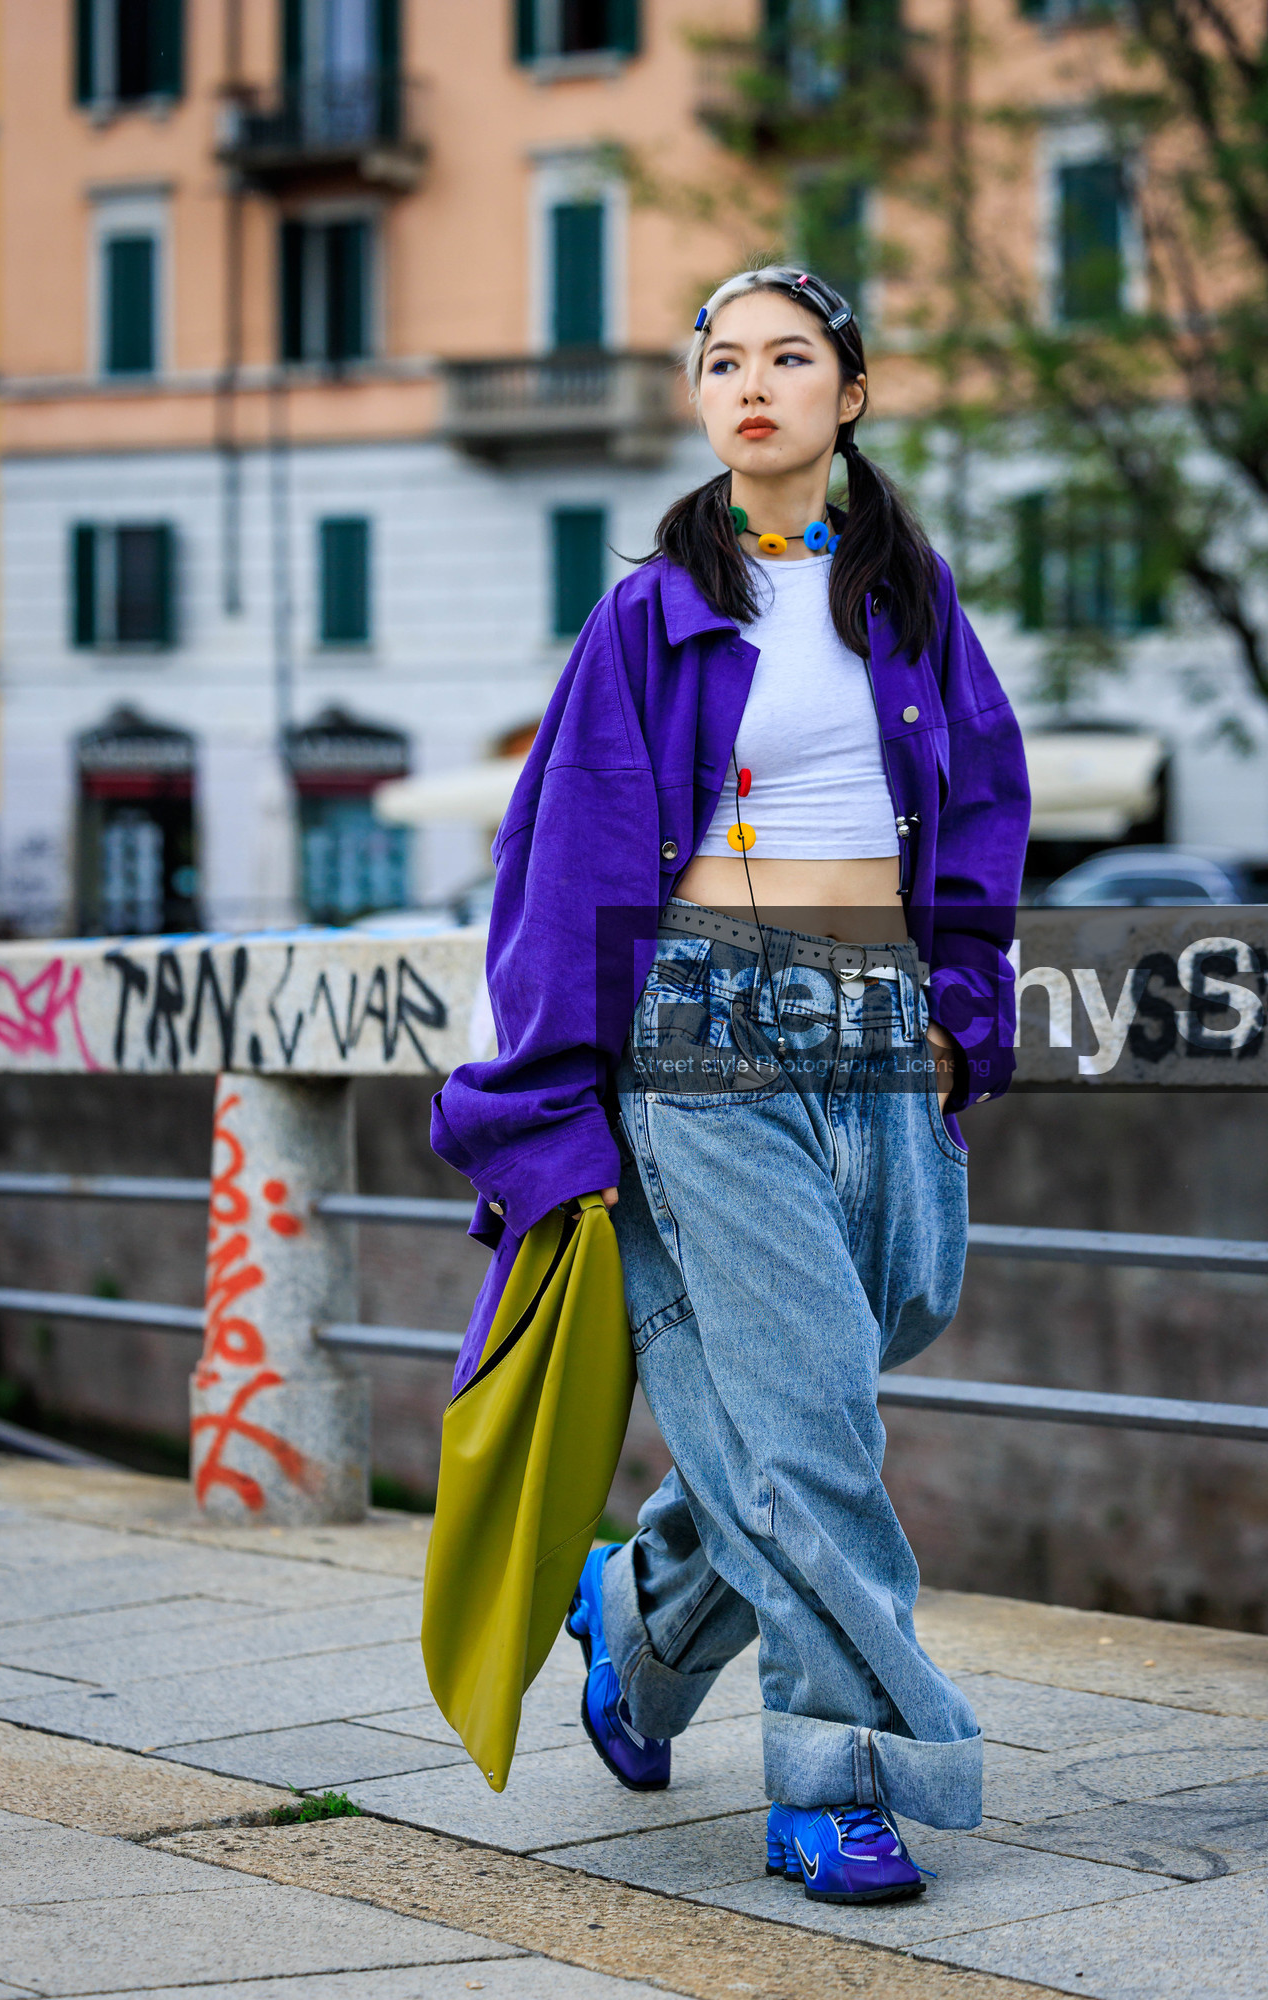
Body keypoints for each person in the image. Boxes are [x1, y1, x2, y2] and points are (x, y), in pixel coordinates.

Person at [431, 266, 1030, 1905]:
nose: (752, 384)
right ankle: (841, 1774)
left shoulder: (910, 598)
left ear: (852, 392)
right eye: (723, 362)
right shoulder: (650, 614)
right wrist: (551, 1101)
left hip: (878, 1024)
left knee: (864, 1340)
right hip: (700, 1025)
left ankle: (641, 1616)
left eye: (790, 357)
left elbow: (983, 805)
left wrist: (961, 1014)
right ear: (700, 400)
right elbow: (558, 856)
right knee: (815, 1417)